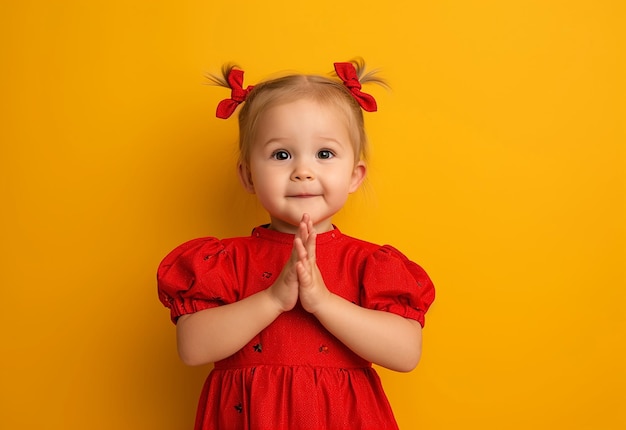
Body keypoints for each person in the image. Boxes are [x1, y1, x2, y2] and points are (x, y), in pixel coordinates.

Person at [157, 59, 436, 430]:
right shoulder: (224, 261)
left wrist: (322, 302)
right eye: (281, 155)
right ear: (248, 175)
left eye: (324, 154)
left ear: (355, 175)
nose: (303, 171)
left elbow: (405, 354)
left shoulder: (369, 263)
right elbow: (192, 349)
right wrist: (273, 298)